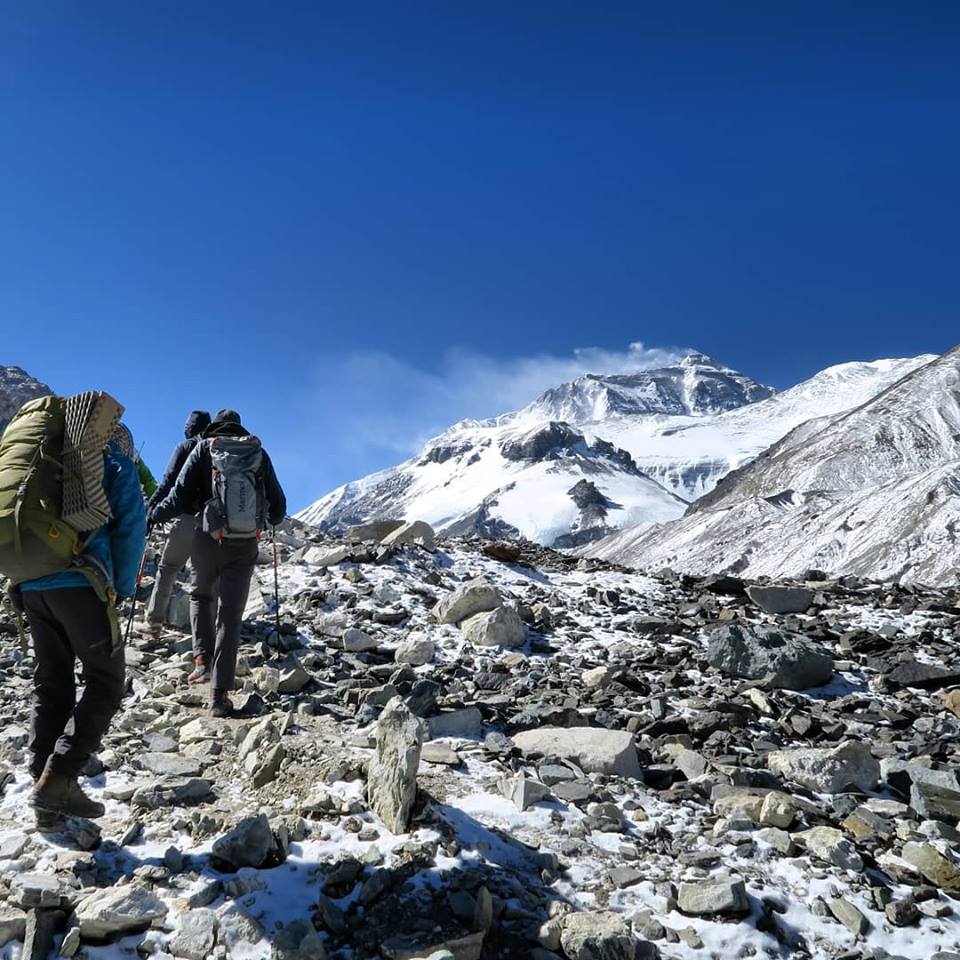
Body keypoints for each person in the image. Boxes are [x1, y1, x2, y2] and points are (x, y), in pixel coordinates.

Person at [19, 421, 146, 819]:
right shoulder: (115, 463)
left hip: (32, 585)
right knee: (105, 682)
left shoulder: (44, 461)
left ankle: (45, 783)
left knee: (52, 682)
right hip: (82, 584)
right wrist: (121, 588)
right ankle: (58, 780)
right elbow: (129, 528)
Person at [150, 409, 286, 716]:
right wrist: (266, 518)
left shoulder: (203, 448)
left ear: (215, 427)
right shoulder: (257, 452)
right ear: (239, 427)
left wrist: (153, 515)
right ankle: (220, 696)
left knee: (201, 596)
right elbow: (279, 506)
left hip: (206, 539)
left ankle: (202, 663)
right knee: (231, 616)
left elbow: (179, 497)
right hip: (244, 544)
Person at [132, 411, 211, 646]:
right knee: (206, 575)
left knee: (168, 568)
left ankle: (154, 623)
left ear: (191, 427)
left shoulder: (186, 446)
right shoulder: (216, 449)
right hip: (214, 522)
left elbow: (168, 482)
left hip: (186, 518)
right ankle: (207, 630)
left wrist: (152, 510)